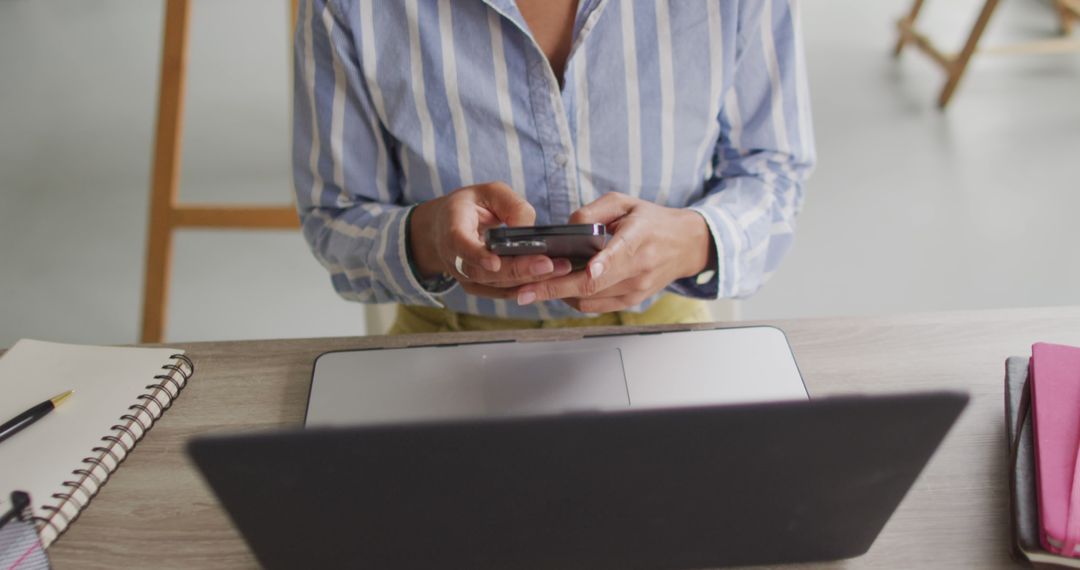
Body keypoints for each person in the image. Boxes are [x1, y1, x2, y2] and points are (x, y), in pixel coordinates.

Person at [293, 0, 815, 334]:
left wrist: (695, 240)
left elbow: (774, 168)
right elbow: (333, 214)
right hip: (445, 339)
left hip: (662, 333)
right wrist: (428, 237)